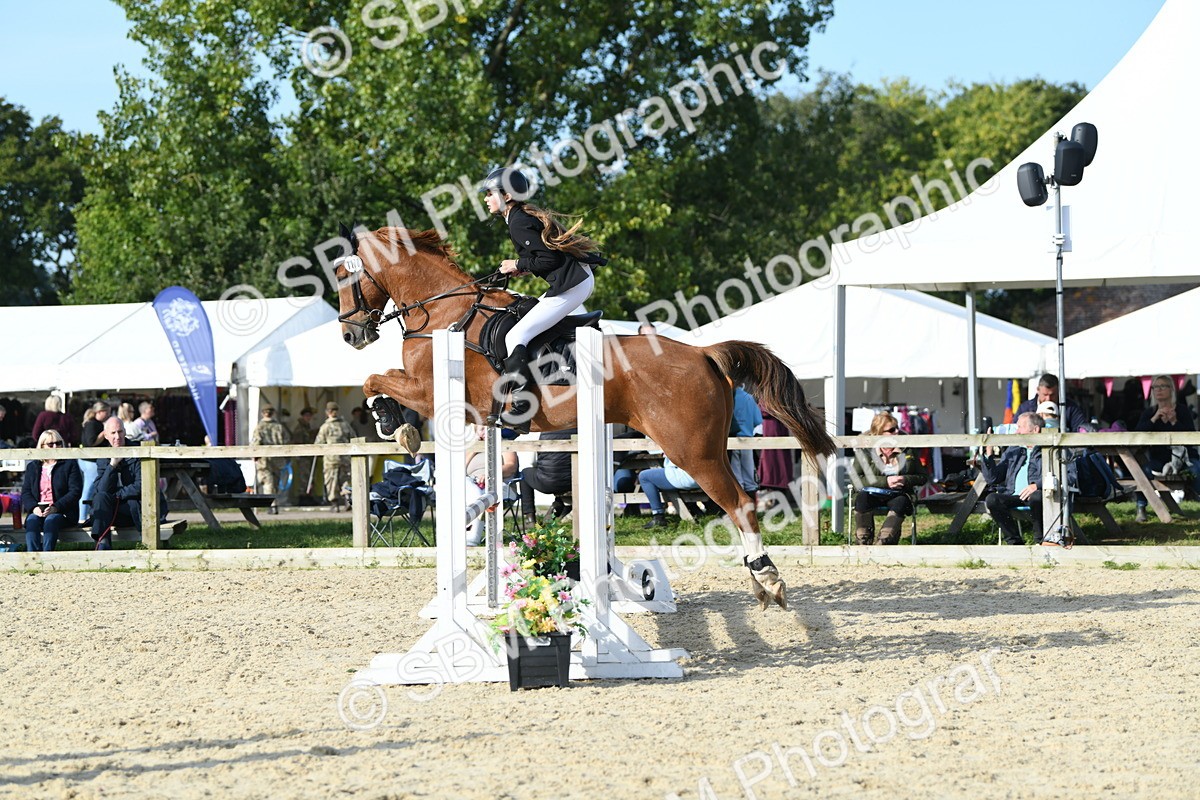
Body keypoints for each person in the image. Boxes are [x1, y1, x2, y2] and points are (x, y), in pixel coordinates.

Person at [483, 167, 606, 432]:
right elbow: (546, 258)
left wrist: (517, 263)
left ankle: (521, 409)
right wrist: (521, 267)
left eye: (489, 194)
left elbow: (548, 259)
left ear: (505, 195)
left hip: (572, 285)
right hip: (573, 280)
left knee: (514, 337)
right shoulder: (518, 216)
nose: (485, 199)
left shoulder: (517, 221)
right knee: (528, 319)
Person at [849, 412, 928, 545]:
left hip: (899, 493)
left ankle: (885, 541)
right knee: (862, 498)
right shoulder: (865, 450)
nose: (897, 432)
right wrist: (885, 482)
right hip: (871, 493)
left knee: (901, 502)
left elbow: (923, 477)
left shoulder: (907, 449)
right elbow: (856, 479)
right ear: (879, 433)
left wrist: (905, 479)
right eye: (891, 430)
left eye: (897, 428)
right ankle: (863, 541)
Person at [1133, 375, 1200, 522]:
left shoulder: (1182, 410)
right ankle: (1141, 507)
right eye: (1155, 387)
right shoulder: (1150, 412)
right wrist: (1154, 419)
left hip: (1185, 459)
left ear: (1171, 389)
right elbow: (1137, 435)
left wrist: (1174, 421)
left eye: (1163, 386)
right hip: (1159, 460)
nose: (1158, 390)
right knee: (1142, 471)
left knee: (1197, 469)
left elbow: (1191, 437)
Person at [978, 411, 1045, 546]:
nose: (1017, 431)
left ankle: (1040, 540)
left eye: (1021, 427)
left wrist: (1036, 485)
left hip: (1036, 496)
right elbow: (993, 478)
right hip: (1013, 495)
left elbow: (1061, 474)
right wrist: (988, 454)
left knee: (1037, 497)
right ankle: (1014, 541)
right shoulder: (1014, 449)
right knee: (992, 499)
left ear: (1035, 429)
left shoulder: (1047, 449)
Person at [91, 417, 152, 549]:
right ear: (106, 436)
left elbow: (141, 485)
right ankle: (103, 545)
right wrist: (112, 465)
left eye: (120, 432)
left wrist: (117, 495)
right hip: (111, 509)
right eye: (113, 433)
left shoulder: (137, 451)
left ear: (125, 432)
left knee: (104, 500)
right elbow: (101, 489)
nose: (117, 436)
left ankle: (102, 545)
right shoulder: (103, 455)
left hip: (134, 508)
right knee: (100, 498)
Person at [21, 430, 83, 552]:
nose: (55, 447)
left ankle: (47, 556)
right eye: (51, 444)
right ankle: (32, 557)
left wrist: (56, 507)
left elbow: (75, 491)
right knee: (31, 521)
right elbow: (26, 492)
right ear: (42, 446)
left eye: (58, 443)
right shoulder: (33, 466)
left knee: (51, 520)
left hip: (62, 512)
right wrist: (34, 508)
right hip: (38, 510)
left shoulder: (69, 464)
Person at [465, 426, 520, 545]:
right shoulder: (472, 448)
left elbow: (511, 466)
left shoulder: (503, 443)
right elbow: (460, 468)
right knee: (471, 490)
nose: (485, 432)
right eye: (481, 429)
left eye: (488, 428)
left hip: (498, 484)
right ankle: (468, 536)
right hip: (472, 483)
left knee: (480, 495)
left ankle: (471, 539)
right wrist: (475, 447)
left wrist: (490, 474)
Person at [518, 428, 575, 526]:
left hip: (548, 483)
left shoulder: (542, 429)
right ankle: (560, 504)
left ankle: (530, 518)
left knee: (524, 474)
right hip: (574, 482)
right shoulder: (581, 427)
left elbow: (532, 462)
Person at [315, 401, 353, 511]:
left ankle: (334, 504)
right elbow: (354, 438)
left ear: (327, 412)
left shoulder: (325, 427)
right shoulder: (345, 425)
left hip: (331, 459)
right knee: (346, 479)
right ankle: (347, 498)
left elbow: (319, 444)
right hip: (345, 458)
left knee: (331, 481)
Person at [1016, 374, 1087, 432]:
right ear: (1038, 390)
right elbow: (1015, 428)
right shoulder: (1025, 408)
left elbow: (1080, 429)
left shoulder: (1071, 408)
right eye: (1045, 394)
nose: (1048, 399)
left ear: (1058, 391)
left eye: (1052, 395)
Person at [251, 405, 289, 514]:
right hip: (277, 459)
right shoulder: (279, 427)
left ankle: (271, 505)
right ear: (272, 413)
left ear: (263, 413)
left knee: (267, 482)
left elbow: (256, 442)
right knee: (276, 482)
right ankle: (275, 504)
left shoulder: (259, 427)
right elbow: (286, 441)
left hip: (264, 460)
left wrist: (254, 455)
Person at [729, 386, 763, 497]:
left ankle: (740, 505)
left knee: (736, 474)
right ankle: (752, 505)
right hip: (748, 441)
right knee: (749, 475)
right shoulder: (749, 398)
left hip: (732, 440)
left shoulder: (728, 396)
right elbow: (758, 420)